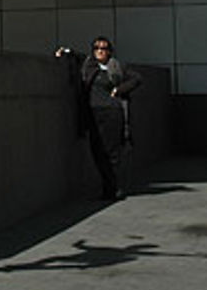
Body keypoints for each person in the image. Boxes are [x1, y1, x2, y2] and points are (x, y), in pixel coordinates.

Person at [56, 37, 142, 200]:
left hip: (112, 113)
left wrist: (119, 89)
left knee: (111, 152)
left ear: (110, 51)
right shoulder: (89, 65)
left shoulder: (117, 66)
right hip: (93, 114)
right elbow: (75, 55)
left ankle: (112, 188)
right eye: (96, 48)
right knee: (97, 151)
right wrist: (64, 52)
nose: (100, 51)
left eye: (104, 48)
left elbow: (137, 78)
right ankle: (109, 185)